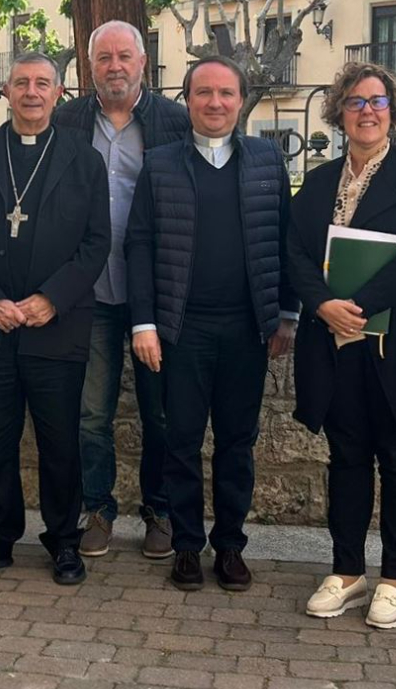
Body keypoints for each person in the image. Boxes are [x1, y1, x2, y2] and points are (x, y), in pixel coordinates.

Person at [286, 63, 396, 630]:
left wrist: (354, 306)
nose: (366, 111)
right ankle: (348, 571)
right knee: (347, 458)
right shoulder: (316, 182)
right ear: (339, 112)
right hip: (333, 343)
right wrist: (321, 304)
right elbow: (296, 255)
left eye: (377, 102)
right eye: (355, 102)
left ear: (393, 110)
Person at [0, 52, 110, 586]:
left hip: (56, 325)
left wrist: (51, 298)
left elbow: (96, 242)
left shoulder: (84, 160)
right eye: (21, 83)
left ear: (59, 94)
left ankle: (64, 541)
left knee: (60, 441)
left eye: (42, 84)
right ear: (5, 92)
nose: (32, 92)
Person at [127, 56, 297, 594]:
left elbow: (287, 242)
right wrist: (144, 323)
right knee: (179, 441)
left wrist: (287, 315)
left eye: (226, 93)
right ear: (188, 100)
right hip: (181, 330)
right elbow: (138, 245)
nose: (216, 103)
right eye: (204, 93)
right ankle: (185, 546)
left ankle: (229, 546)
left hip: (249, 330)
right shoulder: (159, 164)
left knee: (236, 443)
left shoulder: (268, 161)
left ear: (242, 99)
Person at [51, 20, 189, 558]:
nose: (113, 66)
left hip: (154, 292)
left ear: (142, 63)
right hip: (89, 292)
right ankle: (99, 509)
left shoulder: (174, 122)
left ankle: (158, 509)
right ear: (90, 66)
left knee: (159, 412)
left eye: (123, 57)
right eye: (103, 57)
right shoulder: (66, 121)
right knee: (91, 413)